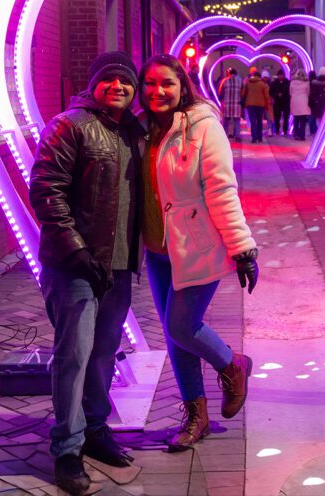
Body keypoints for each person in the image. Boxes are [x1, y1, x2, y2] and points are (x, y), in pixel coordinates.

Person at [29, 51, 143, 496]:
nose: (118, 87)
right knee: (74, 356)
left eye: (126, 82)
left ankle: (95, 429)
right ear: (95, 82)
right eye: (110, 80)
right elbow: (45, 189)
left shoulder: (133, 130)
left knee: (103, 354)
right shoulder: (69, 124)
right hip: (74, 264)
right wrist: (75, 250)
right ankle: (67, 447)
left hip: (117, 265)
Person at [139, 54, 259, 451]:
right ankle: (196, 417)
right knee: (177, 337)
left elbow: (222, 189)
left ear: (182, 86)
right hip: (157, 251)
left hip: (196, 246)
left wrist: (242, 249)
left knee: (181, 327)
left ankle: (232, 364)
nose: (158, 91)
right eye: (151, 83)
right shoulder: (141, 131)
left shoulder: (204, 127)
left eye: (167, 84)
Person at [241, 67, 270, 144]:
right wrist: (267, 106)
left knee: (253, 121)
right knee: (259, 121)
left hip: (250, 104)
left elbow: (243, 93)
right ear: (260, 77)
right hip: (260, 105)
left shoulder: (248, 83)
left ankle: (254, 138)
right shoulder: (262, 84)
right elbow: (266, 96)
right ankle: (259, 137)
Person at [218, 67, 242, 140]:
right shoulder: (240, 81)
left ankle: (224, 135)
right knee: (237, 120)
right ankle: (237, 136)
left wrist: (222, 99)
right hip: (237, 103)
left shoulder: (224, 81)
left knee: (226, 120)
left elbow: (220, 92)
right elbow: (243, 91)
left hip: (227, 103)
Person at [309, 66, 325, 132]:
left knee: (318, 118)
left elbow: (311, 94)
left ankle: (319, 131)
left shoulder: (314, 83)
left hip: (316, 103)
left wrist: (311, 103)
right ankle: (324, 131)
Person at [290, 69, 311, 141]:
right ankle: (302, 136)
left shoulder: (292, 82)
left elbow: (290, 92)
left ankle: (296, 135)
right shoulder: (306, 83)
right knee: (303, 121)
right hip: (303, 102)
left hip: (295, 101)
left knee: (296, 120)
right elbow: (308, 92)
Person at [269, 69, 291, 135]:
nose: (280, 77)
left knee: (286, 117)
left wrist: (284, 95)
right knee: (277, 117)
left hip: (286, 102)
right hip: (277, 102)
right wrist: (276, 95)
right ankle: (277, 129)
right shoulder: (274, 83)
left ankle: (285, 130)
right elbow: (270, 92)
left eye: (282, 75)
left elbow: (290, 92)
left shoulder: (287, 82)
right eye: (279, 75)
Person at [307, 70, 318, 135]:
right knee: (314, 117)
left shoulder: (308, 83)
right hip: (315, 102)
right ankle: (314, 130)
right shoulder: (317, 83)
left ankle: (312, 130)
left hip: (310, 102)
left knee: (310, 117)